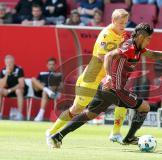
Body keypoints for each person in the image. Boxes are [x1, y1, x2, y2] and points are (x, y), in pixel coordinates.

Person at [48, 23, 162, 148]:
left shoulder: (138, 49)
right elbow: (109, 56)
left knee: (89, 114)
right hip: (115, 89)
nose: (149, 41)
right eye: (148, 38)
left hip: (105, 88)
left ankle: (58, 136)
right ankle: (129, 138)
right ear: (140, 36)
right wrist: (109, 75)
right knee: (144, 107)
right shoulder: (129, 46)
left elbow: (152, 54)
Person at [46, 9, 129, 144]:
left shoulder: (122, 34)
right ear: (113, 21)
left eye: (125, 23)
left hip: (106, 78)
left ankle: (115, 132)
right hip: (92, 77)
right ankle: (51, 132)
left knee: (123, 99)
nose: (123, 26)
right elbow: (103, 57)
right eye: (121, 23)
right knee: (76, 109)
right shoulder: (106, 35)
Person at [0, 55, 28, 120]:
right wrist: (6, 74)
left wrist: (9, 90)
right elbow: (2, 85)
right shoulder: (3, 71)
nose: (9, 64)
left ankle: (20, 114)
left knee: (18, 90)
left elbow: (21, 84)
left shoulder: (19, 69)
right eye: (7, 63)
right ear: (5, 63)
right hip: (8, 91)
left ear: (14, 62)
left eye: (10, 62)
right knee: (0, 90)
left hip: (20, 91)